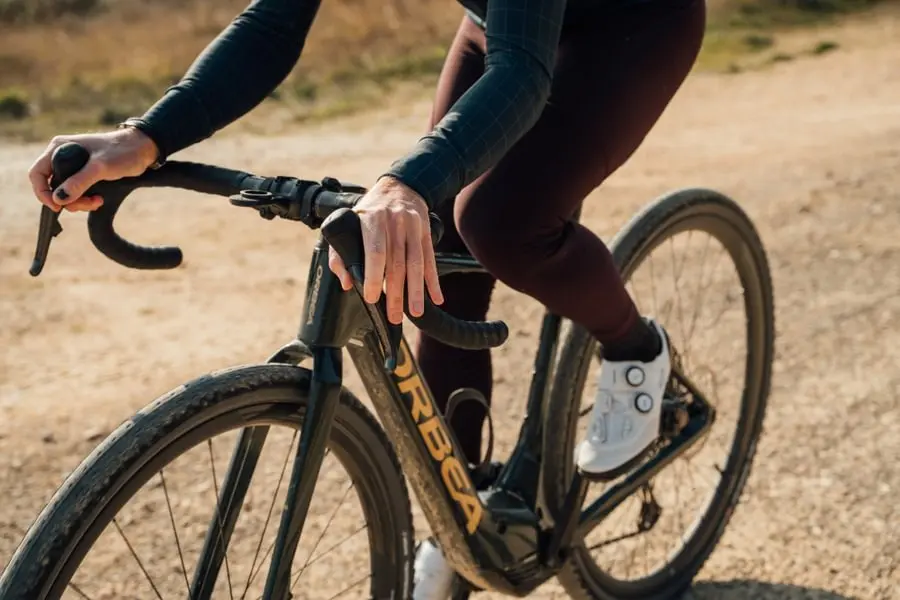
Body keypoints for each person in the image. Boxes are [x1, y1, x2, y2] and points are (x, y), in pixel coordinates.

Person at [27, 0, 704, 596]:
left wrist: (406, 183)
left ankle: (636, 350)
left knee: (501, 220)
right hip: (500, 24)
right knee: (430, 259)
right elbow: (273, 23)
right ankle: (461, 524)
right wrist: (146, 137)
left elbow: (524, 74)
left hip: (627, 26)